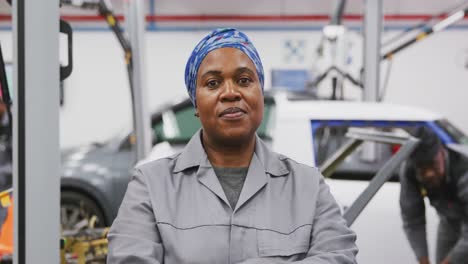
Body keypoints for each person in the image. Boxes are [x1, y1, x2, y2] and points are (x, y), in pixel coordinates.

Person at [107, 28, 358, 263]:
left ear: (260, 94)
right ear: (195, 103)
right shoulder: (151, 186)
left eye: (244, 80)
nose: (230, 93)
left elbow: (339, 256)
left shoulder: (307, 186)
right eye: (213, 83)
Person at [399, 126, 468, 264]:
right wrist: (423, 260)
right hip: (449, 222)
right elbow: (413, 220)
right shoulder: (409, 171)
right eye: (422, 169)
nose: (429, 173)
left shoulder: (463, 166)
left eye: (433, 164)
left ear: (442, 152)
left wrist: (449, 262)